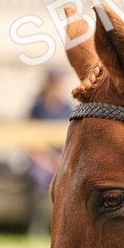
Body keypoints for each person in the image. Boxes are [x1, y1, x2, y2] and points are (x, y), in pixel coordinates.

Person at [26, 67, 73, 236]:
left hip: (62, 158)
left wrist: (60, 159)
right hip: (40, 158)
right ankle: (37, 227)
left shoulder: (67, 108)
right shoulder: (37, 108)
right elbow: (29, 140)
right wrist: (47, 159)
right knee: (39, 177)